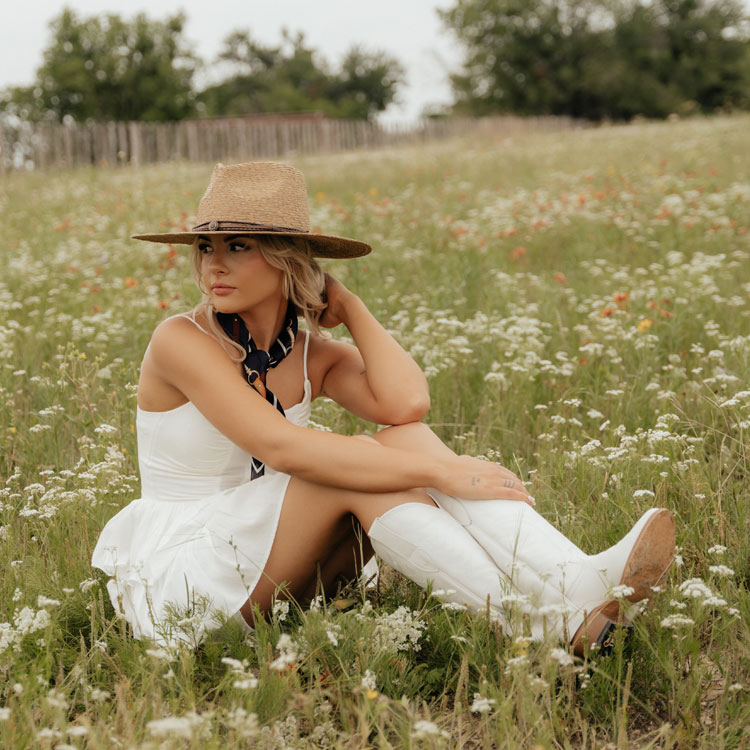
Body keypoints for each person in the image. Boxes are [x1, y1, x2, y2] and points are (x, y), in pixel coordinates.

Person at [92, 161, 675, 652]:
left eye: (237, 246)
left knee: (404, 442)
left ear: (289, 258)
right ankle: (549, 621)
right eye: (206, 246)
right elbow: (280, 447)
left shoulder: (306, 351)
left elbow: (407, 405)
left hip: (269, 549)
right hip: (191, 571)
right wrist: (444, 472)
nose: (212, 265)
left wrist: (352, 309)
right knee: (357, 467)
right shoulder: (179, 340)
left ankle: (572, 583)